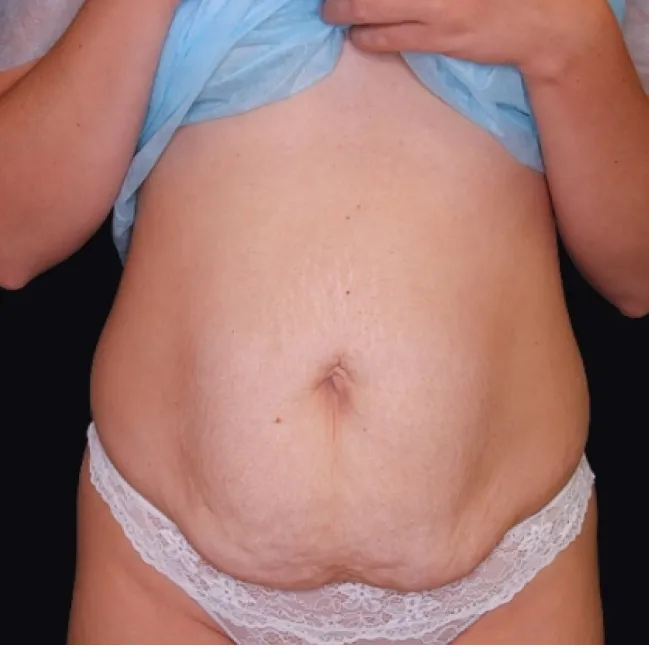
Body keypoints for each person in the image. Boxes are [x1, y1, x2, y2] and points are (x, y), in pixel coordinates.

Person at [1, 0, 648, 644]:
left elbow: (637, 276)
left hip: (506, 583)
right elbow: (12, 235)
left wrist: (574, 38)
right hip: (168, 575)